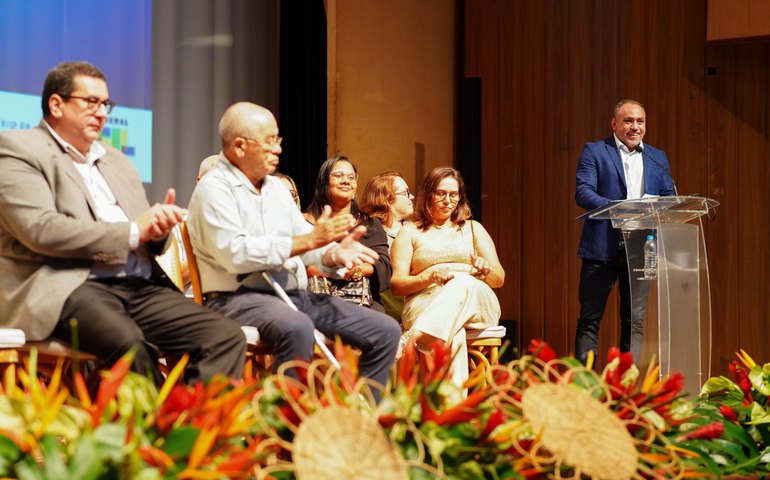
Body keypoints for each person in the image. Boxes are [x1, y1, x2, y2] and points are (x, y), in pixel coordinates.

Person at [0, 61, 246, 384]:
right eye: (91, 102)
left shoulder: (117, 161)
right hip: (69, 285)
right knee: (130, 345)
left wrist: (157, 231)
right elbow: (41, 230)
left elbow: (144, 234)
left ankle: (193, 428)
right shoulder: (19, 149)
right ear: (56, 104)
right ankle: (159, 431)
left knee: (224, 337)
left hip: (138, 285)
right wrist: (133, 231)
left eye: (105, 104)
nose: (102, 112)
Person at [186, 102, 400, 395]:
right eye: (269, 141)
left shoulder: (274, 189)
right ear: (238, 146)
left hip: (293, 295)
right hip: (235, 298)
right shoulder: (214, 189)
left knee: (384, 331)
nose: (278, 149)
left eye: (278, 140)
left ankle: (365, 426)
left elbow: (305, 240)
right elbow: (235, 254)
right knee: (296, 326)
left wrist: (332, 254)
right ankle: (287, 428)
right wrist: (310, 242)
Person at [575, 99, 676, 365]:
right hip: (601, 247)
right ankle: (585, 388)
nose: (634, 127)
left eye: (639, 121)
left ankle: (626, 388)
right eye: (628, 121)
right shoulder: (596, 151)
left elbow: (669, 195)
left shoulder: (657, 157)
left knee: (635, 321)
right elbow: (583, 191)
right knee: (590, 319)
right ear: (614, 123)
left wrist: (659, 205)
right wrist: (619, 209)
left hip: (643, 248)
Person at [391, 166, 504, 391]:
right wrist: (427, 277)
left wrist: (485, 270)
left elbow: (499, 279)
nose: (448, 200)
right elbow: (397, 285)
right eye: (441, 193)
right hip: (426, 301)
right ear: (428, 194)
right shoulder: (410, 231)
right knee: (454, 335)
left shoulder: (473, 228)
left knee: (462, 282)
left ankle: (412, 339)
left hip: (476, 302)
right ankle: (451, 413)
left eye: (454, 195)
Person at [304, 156, 391, 311]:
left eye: (351, 177)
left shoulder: (370, 224)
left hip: (363, 302)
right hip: (314, 300)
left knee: (386, 327)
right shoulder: (303, 222)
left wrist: (354, 270)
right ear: (323, 182)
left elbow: (383, 265)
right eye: (338, 175)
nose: (346, 181)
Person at [360, 171, 414, 319]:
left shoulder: (415, 229)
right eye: (406, 193)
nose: (412, 197)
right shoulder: (370, 235)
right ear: (387, 199)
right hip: (387, 310)